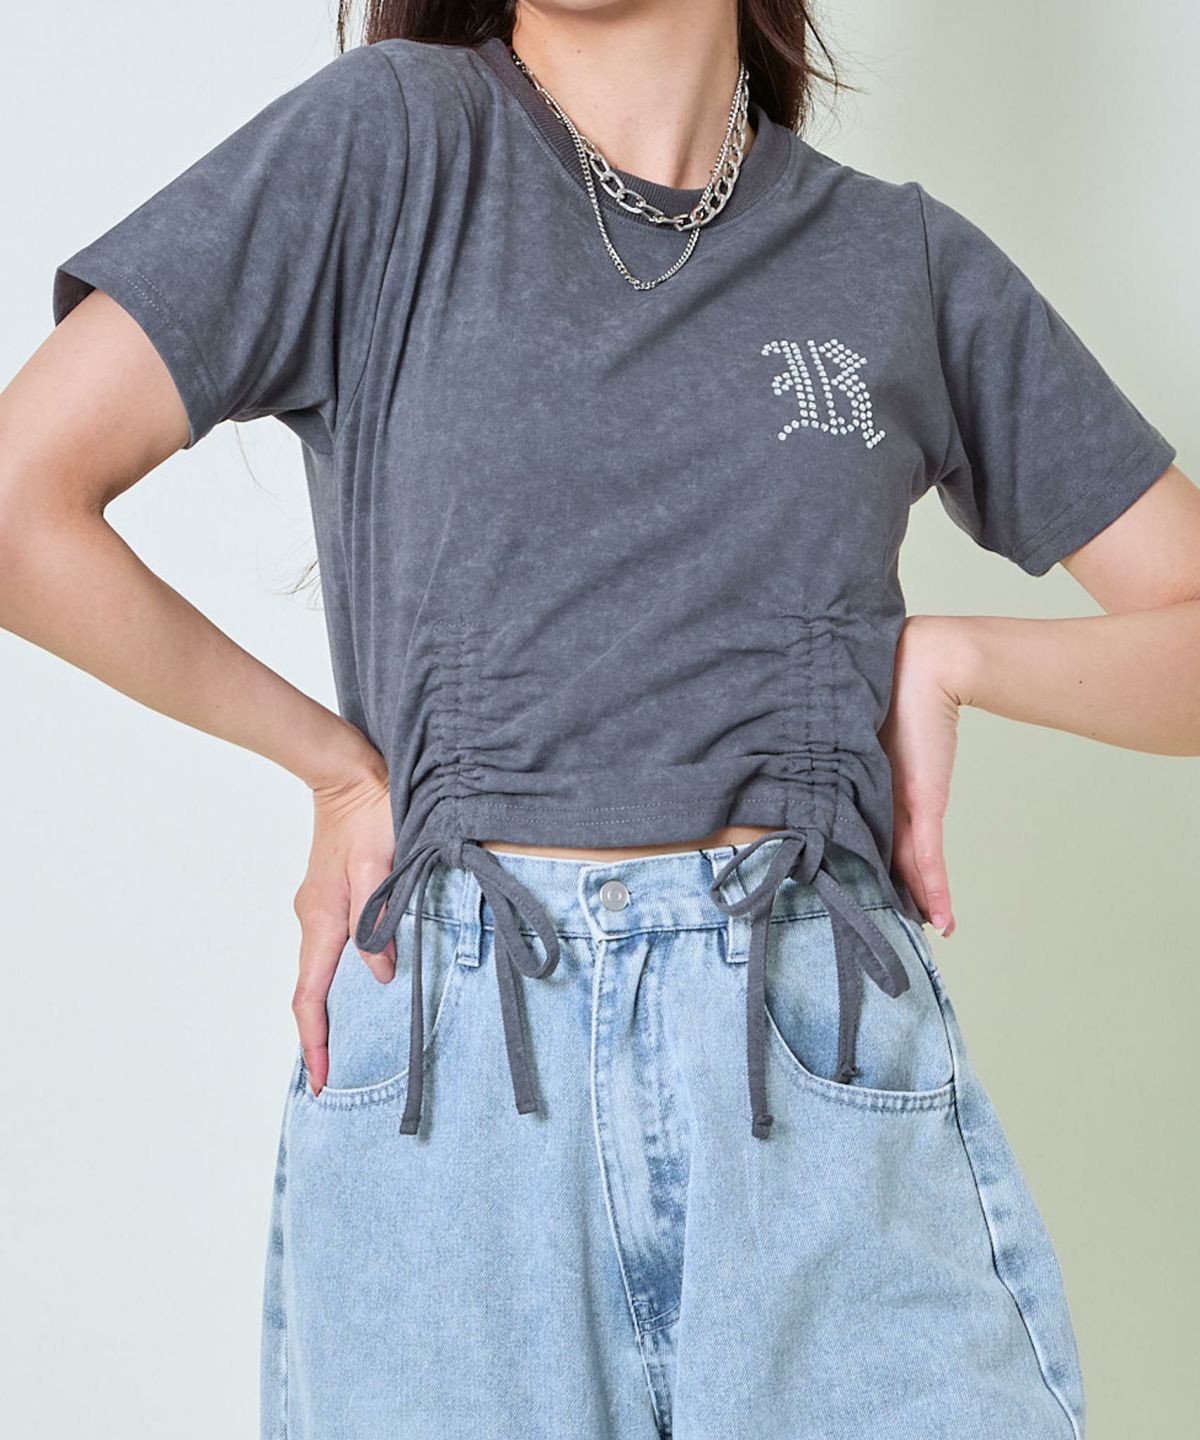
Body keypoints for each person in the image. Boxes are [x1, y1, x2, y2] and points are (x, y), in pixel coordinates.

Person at [0, 2, 1196, 1437]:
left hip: (810, 1062)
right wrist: (335, 773)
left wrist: (955, 656)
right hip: (461, 1081)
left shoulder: (896, 259)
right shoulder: (388, 144)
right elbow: (20, 503)